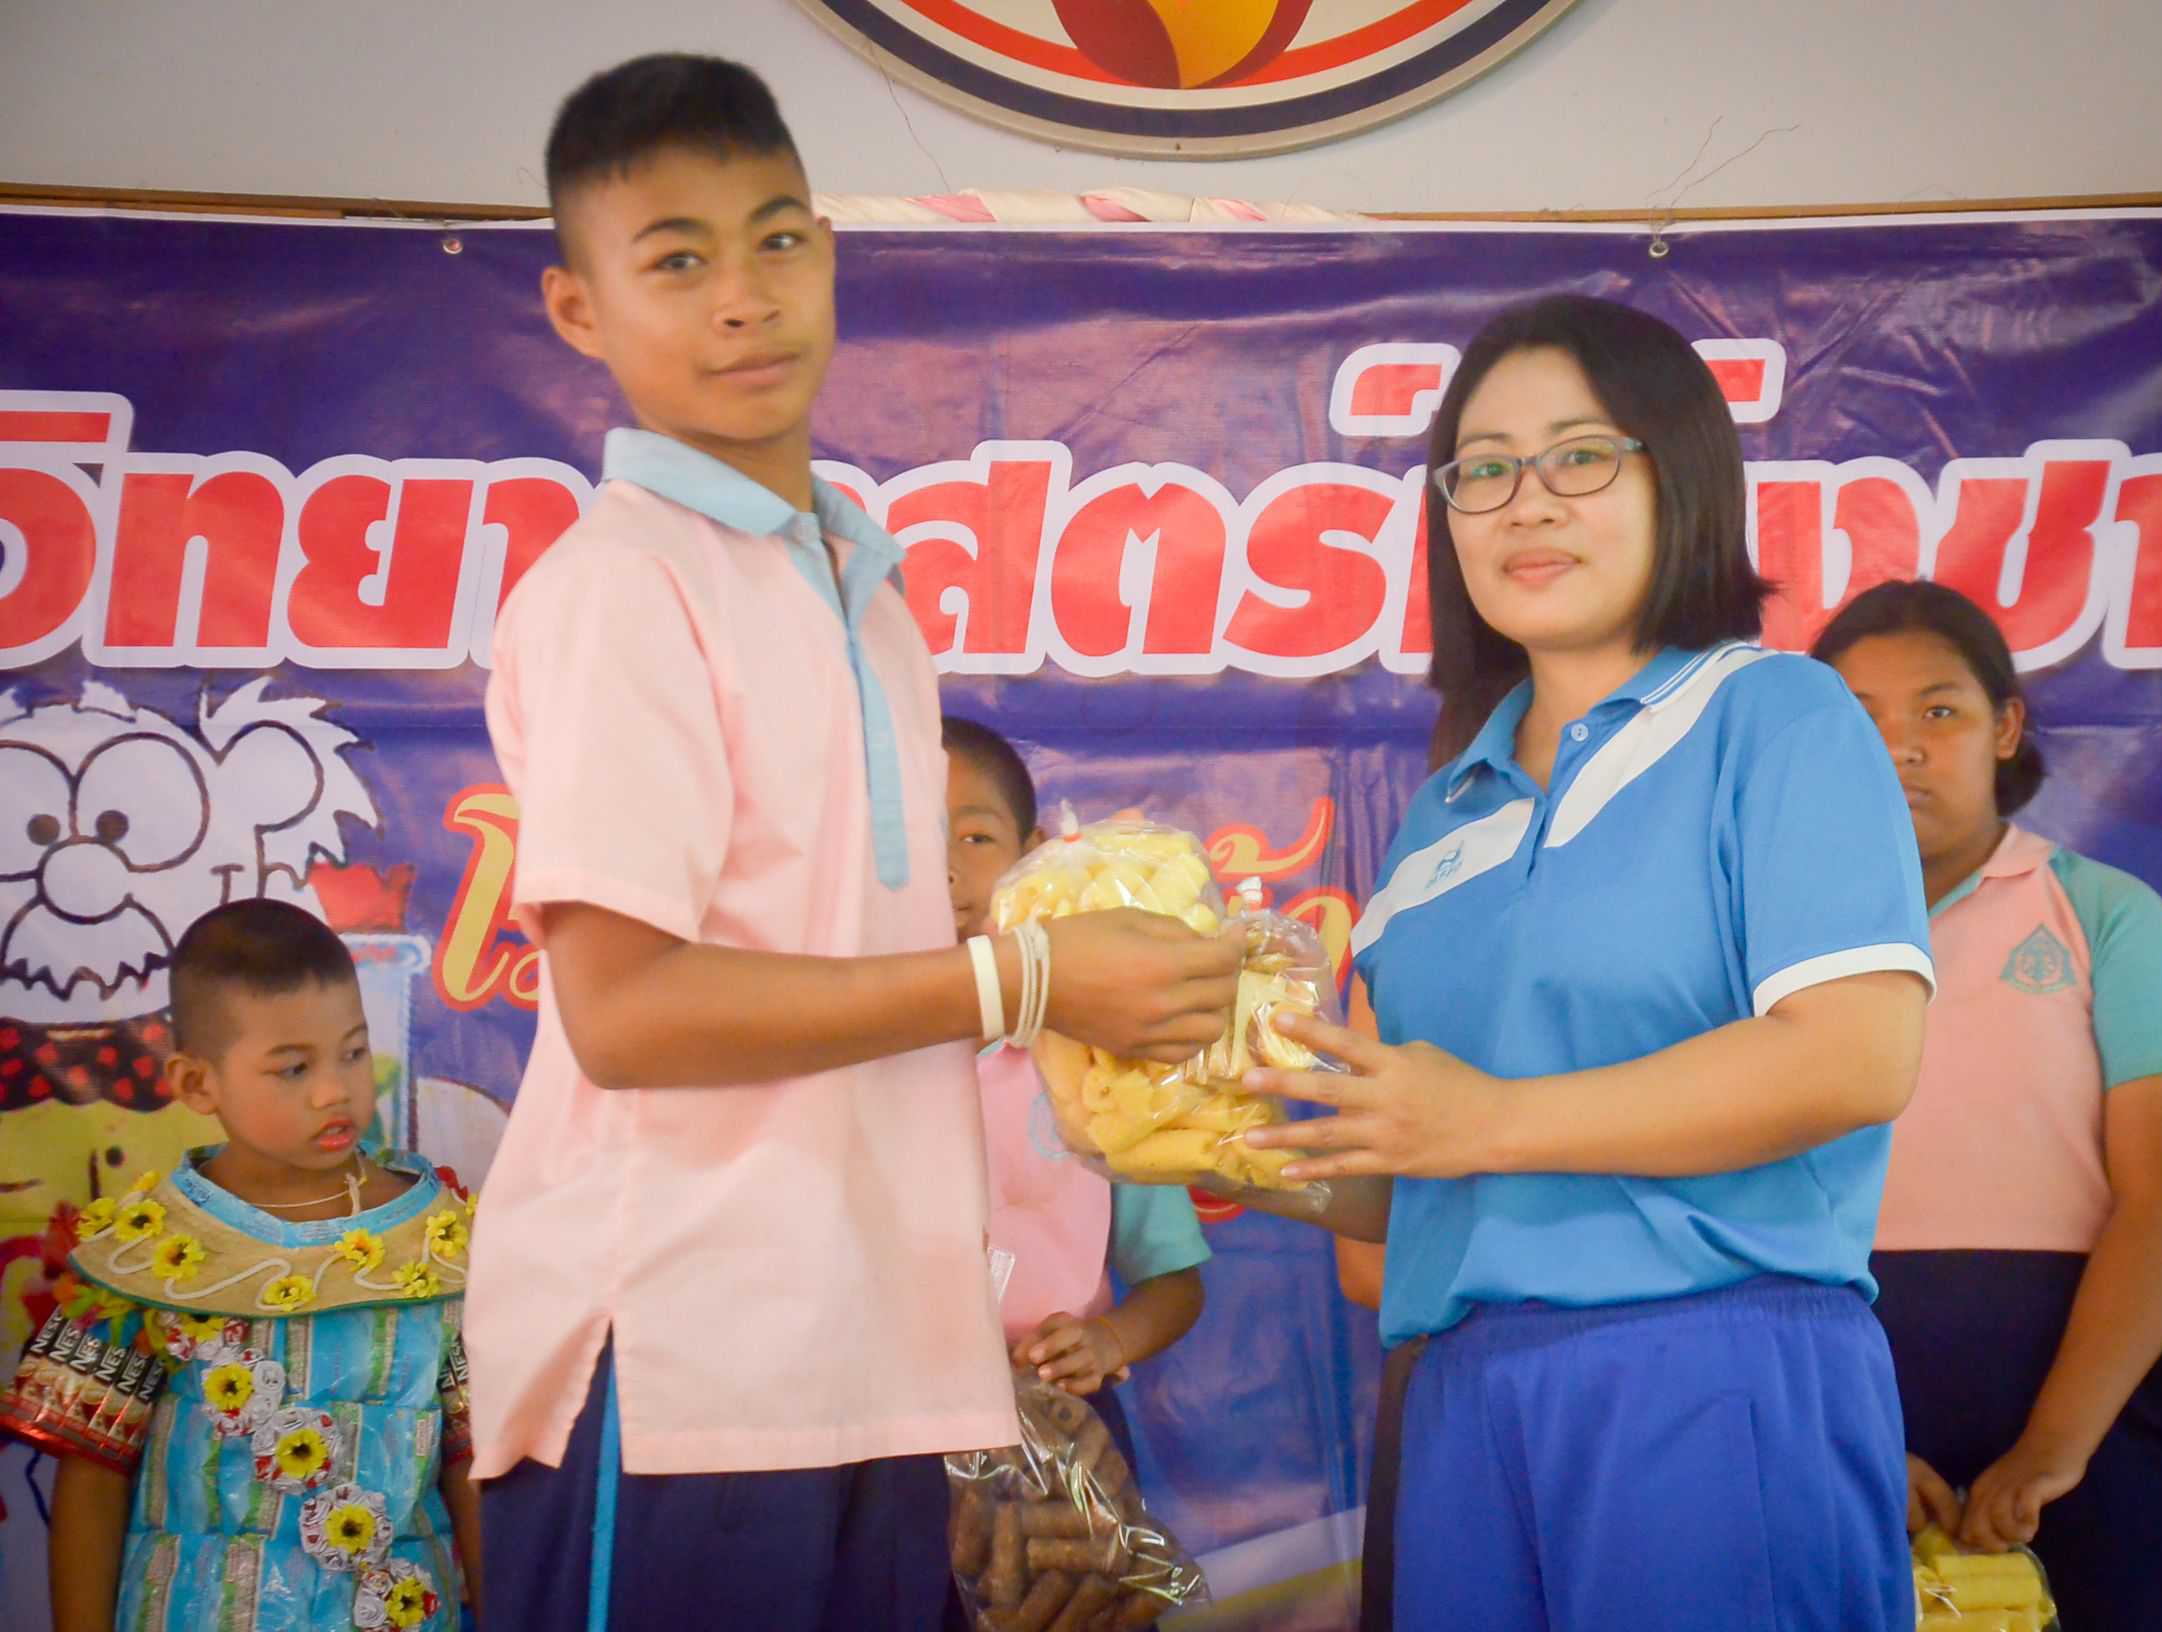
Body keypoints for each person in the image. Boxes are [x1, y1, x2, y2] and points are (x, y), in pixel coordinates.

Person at [466, 54, 1243, 1631]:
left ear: (827, 251)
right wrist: (1024, 980)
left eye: (776, 239)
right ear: (578, 310)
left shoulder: (864, 591)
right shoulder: (622, 586)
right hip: (679, 1366)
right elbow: (625, 1014)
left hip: (875, 1366)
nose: (742, 297)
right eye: (676, 259)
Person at [1239, 293, 1934, 1632]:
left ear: (1680, 476)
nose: (1526, 504)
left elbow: (1856, 1058)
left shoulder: (1773, 713)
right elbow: (1409, 1176)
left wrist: (1486, 1120)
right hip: (1459, 1398)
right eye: (1484, 471)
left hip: (1712, 1376)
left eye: (1577, 456)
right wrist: (1207, 1141)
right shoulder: (1441, 816)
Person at [1814, 580, 2162, 1629]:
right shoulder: (1768, 938)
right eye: (1858, 719)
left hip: (2093, 1390)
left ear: (2004, 727)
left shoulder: (2104, 914)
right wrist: (1847, 1429)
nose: (1900, 747)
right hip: (1834, 1381)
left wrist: (2055, 1444)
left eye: (1938, 710)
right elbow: (1724, 1203)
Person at [1, 898, 478, 1632]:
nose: (334, 1089)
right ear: (198, 1084)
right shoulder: (140, 1254)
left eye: (353, 1053)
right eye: (293, 1068)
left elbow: (474, 1468)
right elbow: (90, 1481)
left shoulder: (441, 1241)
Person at [942, 717, 1209, 1423]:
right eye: (911, 840)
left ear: (1033, 854)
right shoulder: (845, 1060)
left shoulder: (1090, 1058)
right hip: (890, 1430)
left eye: (975, 838)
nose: (943, 868)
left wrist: (1106, 1341)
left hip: (1063, 1419)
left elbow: (1175, 1282)